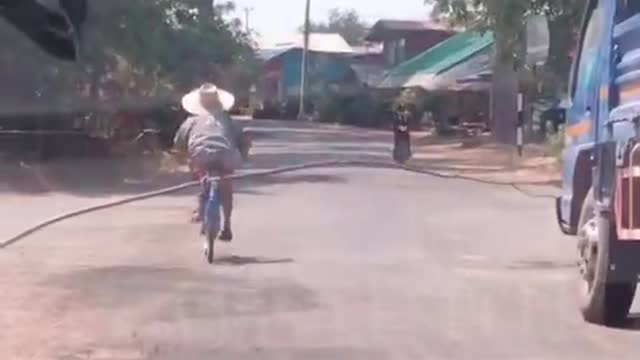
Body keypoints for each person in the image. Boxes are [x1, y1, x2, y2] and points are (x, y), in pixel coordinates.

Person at [172, 83, 244, 242]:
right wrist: (243, 156)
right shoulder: (227, 119)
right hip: (225, 155)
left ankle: (200, 207)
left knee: (201, 175)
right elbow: (242, 140)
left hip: (200, 156)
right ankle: (227, 226)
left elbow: (179, 142)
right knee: (226, 188)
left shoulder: (192, 121)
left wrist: (182, 158)